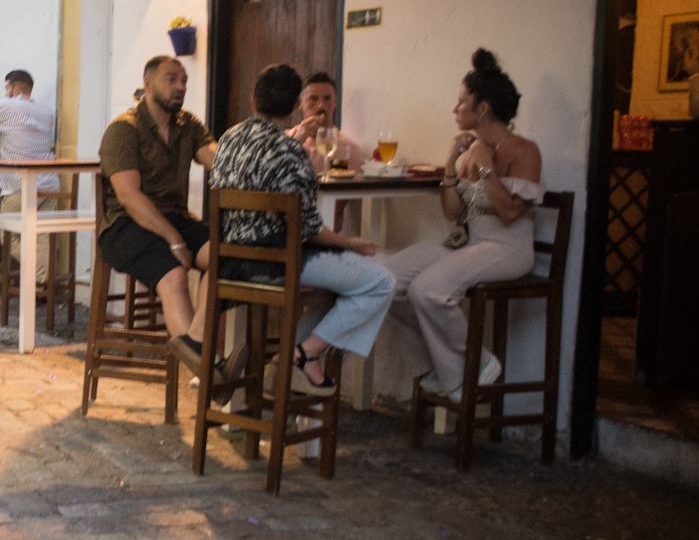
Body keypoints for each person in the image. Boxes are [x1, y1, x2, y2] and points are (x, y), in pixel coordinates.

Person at [213, 64, 393, 393]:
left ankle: (285, 363)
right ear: (296, 103)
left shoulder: (228, 139)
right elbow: (309, 229)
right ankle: (302, 355)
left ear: (255, 98)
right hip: (276, 262)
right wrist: (350, 243)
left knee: (332, 293)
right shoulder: (291, 151)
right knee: (380, 282)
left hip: (229, 260)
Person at [381, 48, 543, 402]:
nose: (454, 110)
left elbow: (511, 213)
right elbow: (455, 214)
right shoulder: (470, 151)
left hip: (508, 248)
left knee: (429, 290)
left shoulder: (524, 150)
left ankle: (474, 364)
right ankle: (434, 370)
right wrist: (451, 167)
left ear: (483, 109)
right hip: (469, 244)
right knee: (384, 283)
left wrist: (486, 168)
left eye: (461, 103)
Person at [97, 55, 217, 377]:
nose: (180, 87)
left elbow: (217, 161)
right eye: (171, 79)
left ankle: (196, 345)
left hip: (175, 217)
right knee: (175, 273)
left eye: (184, 81)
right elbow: (129, 196)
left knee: (226, 255)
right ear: (148, 84)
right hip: (125, 225)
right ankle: (206, 373)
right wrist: (174, 239)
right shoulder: (124, 129)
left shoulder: (188, 125)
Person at [0, 68, 59, 283]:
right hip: (51, 183)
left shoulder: (6, 106)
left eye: (6, 88)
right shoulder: (46, 113)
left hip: (20, 186)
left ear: (16, 88)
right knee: (41, 236)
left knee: (6, 233)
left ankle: (39, 276)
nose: (5, 93)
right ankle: (42, 282)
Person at [285, 72, 366, 173]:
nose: (321, 106)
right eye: (313, 99)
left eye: (327, 98)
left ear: (335, 102)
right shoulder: (284, 140)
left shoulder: (348, 150)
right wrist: (296, 143)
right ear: (300, 103)